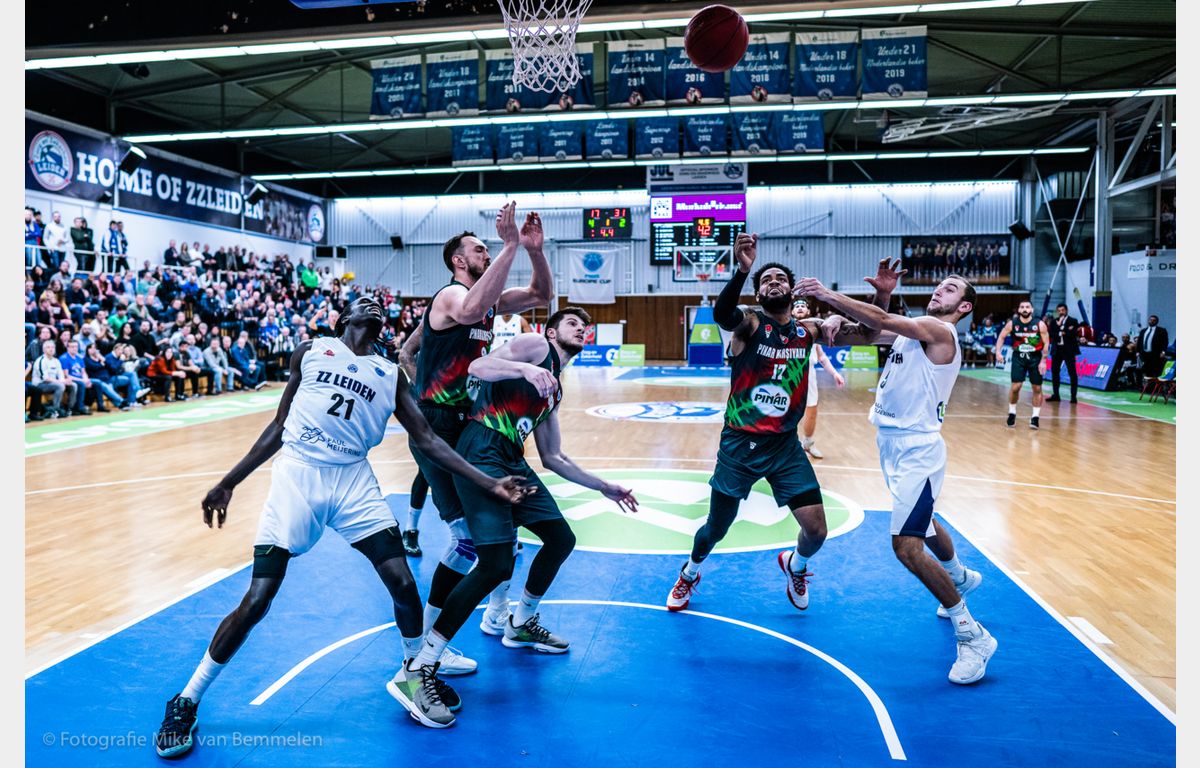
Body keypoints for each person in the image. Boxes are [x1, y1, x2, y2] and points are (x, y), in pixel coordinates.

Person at [153, 297, 535, 757]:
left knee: (402, 583)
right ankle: (187, 698)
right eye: (360, 301)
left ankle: (413, 674)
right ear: (344, 318)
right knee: (257, 600)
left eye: (376, 303)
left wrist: (489, 483)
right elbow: (279, 425)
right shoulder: (311, 351)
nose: (371, 302)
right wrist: (228, 482)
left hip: (352, 479)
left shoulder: (390, 374)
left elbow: (429, 439)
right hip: (299, 475)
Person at [405, 308, 637, 714]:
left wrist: (603, 486)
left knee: (561, 539)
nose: (581, 328)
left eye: (585, 326)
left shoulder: (555, 390)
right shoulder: (535, 347)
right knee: (493, 563)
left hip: (512, 459)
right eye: (572, 323)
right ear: (552, 332)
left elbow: (553, 457)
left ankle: (519, 623)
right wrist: (525, 369)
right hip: (482, 450)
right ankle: (421, 664)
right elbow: (478, 366)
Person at [796, 269, 997, 685]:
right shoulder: (914, 332)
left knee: (906, 547)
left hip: (917, 450)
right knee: (923, 523)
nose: (940, 288)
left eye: (951, 288)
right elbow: (870, 330)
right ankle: (959, 576)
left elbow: (881, 322)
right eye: (940, 284)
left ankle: (973, 635)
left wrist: (828, 295)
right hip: (892, 445)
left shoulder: (940, 332)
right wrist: (871, 302)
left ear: (964, 307)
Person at [665, 235, 875, 614]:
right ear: (759, 294)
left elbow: (871, 333)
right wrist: (742, 270)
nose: (773, 282)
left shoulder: (808, 331)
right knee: (716, 528)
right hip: (739, 445)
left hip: (784, 447)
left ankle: (796, 565)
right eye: (766, 280)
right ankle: (690, 572)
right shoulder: (749, 324)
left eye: (780, 278)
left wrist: (863, 303)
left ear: (792, 291)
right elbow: (723, 314)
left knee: (817, 530)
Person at [402, 202, 553, 675]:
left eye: (489, 248)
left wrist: (533, 250)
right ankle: (424, 648)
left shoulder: (486, 303)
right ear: (458, 260)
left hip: (462, 422)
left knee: (490, 536)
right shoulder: (452, 295)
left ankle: (485, 618)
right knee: (467, 539)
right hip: (436, 424)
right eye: (479, 249)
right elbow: (468, 310)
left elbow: (541, 294)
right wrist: (509, 245)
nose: (485, 253)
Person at [791, 299, 846, 459]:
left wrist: (835, 373)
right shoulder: (785, 327)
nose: (800, 308)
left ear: (808, 311)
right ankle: (789, 446)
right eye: (796, 306)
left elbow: (821, 357)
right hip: (789, 376)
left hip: (809, 376)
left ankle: (807, 444)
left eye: (803, 306)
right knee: (787, 413)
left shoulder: (813, 330)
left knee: (811, 412)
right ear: (792, 311)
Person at [993, 301, 1050, 429]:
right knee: (1016, 387)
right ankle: (1012, 413)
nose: (1025, 309)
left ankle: (1035, 417)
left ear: (1032, 310)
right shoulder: (1012, 323)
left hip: (1035, 358)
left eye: (1027, 307)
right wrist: (998, 352)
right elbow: (1001, 337)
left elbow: (1046, 343)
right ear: (1019, 310)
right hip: (1018, 357)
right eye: (1022, 307)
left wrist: (1043, 360)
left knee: (1037, 388)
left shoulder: (1040, 324)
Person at [1047, 303, 1081, 403]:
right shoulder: (1054, 321)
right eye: (1059, 310)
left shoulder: (1073, 321)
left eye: (1063, 310)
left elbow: (1072, 333)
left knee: (1072, 373)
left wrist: (1062, 329)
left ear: (1066, 310)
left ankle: (1073, 396)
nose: (1061, 312)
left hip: (1068, 350)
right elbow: (1051, 333)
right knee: (1055, 372)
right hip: (1057, 350)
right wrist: (1061, 331)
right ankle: (1056, 394)